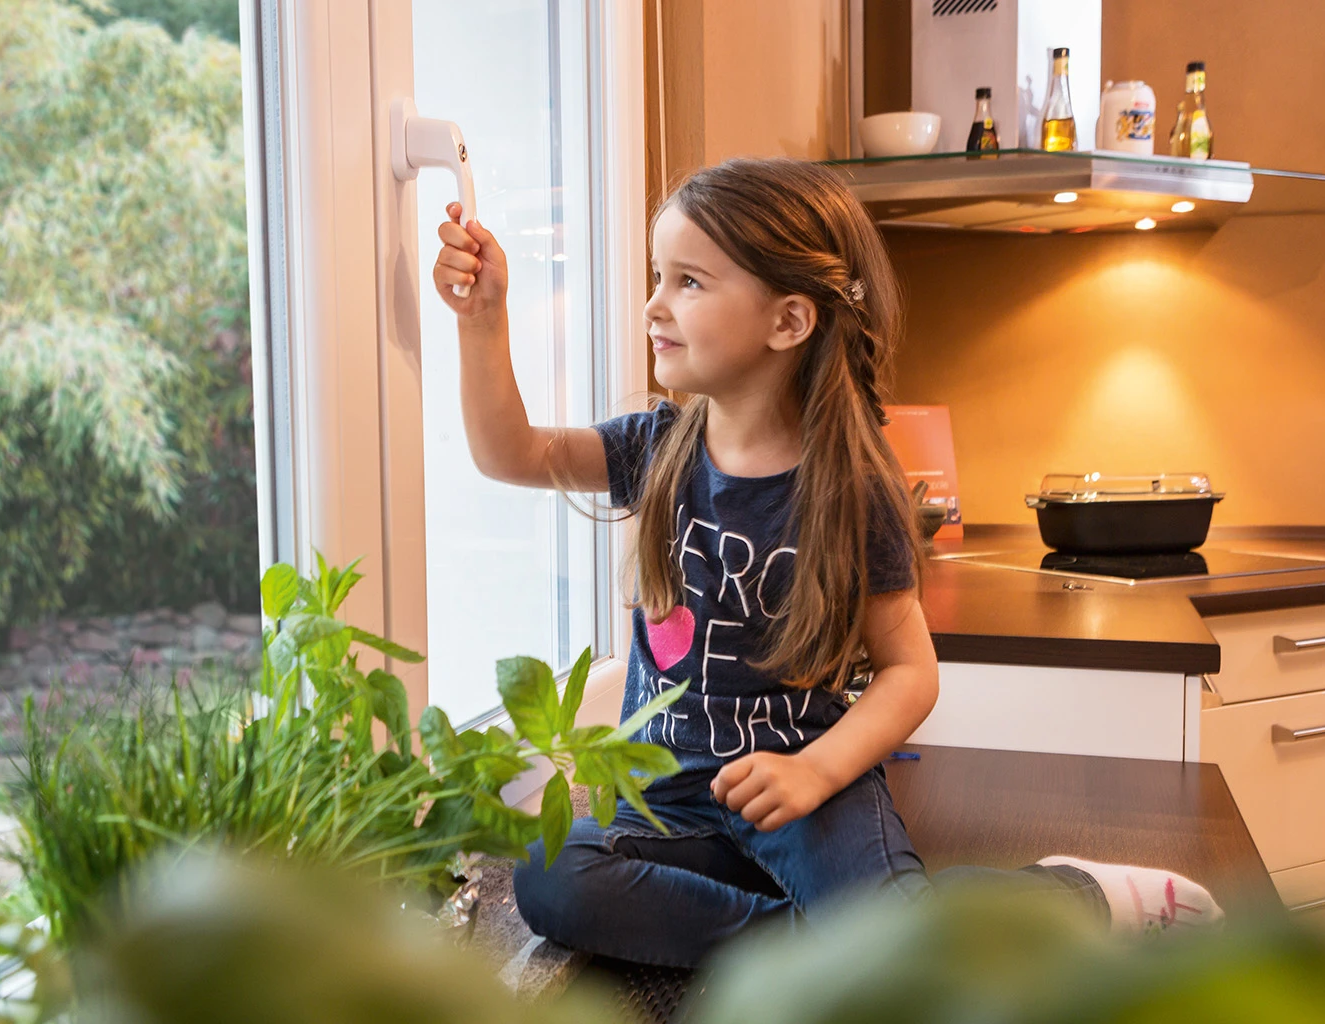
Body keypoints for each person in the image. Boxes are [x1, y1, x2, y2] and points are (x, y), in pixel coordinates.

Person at [429, 157, 1223, 969]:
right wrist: (481, 318)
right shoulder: (655, 448)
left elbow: (910, 672)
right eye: (658, 277)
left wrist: (812, 772)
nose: (653, 305)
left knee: (893, 939)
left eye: (689, 282)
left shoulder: (850, 488)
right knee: (552, 876)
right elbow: (509, 451)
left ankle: (1072, 896)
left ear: (789, 322)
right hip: (669, 811)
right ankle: (825, 957)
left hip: (814, 802)